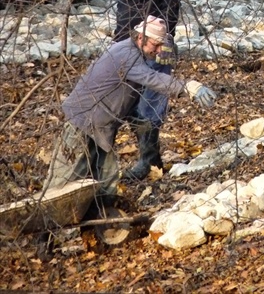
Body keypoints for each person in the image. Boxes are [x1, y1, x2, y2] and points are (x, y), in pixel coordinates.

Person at [43, 16, 216, 207]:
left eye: (160, 45)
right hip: (82, 122)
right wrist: (188, 87)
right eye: (155, 45)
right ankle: (47, 222)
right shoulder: (128, 56)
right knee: (64, 182)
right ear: (141, 38)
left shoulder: (130, 49)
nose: (158, 50)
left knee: (105, 181)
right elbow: (152, 78)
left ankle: (101, 217)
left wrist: (136, 118)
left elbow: (124, 93)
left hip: (99, 125)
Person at [113, 0, 181, 180]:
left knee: (151, 103)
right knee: (129, 102)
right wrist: (118, 42)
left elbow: (170, 13)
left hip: (156, 46)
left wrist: (155, 40)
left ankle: (147, 163)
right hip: (128, 46)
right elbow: (124, 13)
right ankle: (152, 161)